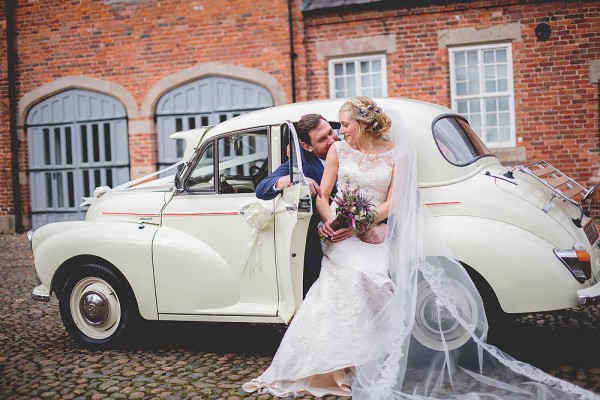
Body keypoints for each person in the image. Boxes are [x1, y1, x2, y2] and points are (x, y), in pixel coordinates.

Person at [244, 97, 598, 399]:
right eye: (330, 132)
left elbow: (397, 200)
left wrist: (366, 224)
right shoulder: (338, 151)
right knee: (344, 277)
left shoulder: (394, 154)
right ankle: (333, 361)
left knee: (372, 277)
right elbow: (319, 192)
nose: (338, 132)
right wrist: (334, 223)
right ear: (308, 145)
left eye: (343, 124)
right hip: (340, 233)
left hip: (370, 230)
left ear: (363, 124)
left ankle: (363, 356)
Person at [255, 113, 385, 296]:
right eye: (323, 139)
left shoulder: (355, 146)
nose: (333, 139)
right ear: (307, 146)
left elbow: (385, 189)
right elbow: (262, 188)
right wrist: (297, 179)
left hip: (371, 231)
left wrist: (385, 226)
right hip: (330, 237)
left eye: (332, 132)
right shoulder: (302, 162)